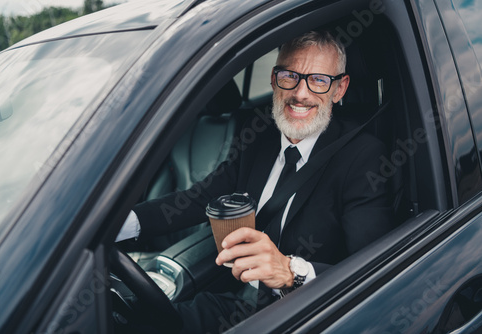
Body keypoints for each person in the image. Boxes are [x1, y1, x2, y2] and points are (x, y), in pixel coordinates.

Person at [117, 30, 394, 333]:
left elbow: (372, 270)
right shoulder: (258, 135)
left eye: (318, 80)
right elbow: (200, 198)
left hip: (306, 314)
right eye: (290, 75)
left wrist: (292, 272)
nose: (300, 94)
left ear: (339, 89)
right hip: (232, 300)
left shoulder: (363, 156)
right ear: (275, 80)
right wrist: (112, 225)